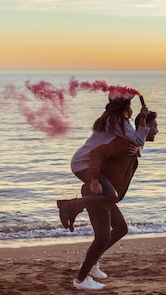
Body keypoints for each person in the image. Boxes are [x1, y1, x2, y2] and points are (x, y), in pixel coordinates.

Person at [58, 109, 159, 291]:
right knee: (103, 236)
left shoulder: (133, 147)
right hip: (97, 193)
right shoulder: (124, 145)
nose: (157, 131)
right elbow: (97, 154)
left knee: (121, 228)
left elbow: (136, 146)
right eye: (154, 127)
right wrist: (95, 180)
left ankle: (92, 263)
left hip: (104, 195)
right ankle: (81, 279)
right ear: (143, 128)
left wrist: (138, 148)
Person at [57, 94, 149, 232]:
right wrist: (143, 118)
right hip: (85, 163)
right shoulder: (118, 121)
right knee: (111, 195)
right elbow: (139, 140)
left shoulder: (110, 117)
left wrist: (138, 149)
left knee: (110, 198)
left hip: (84, 161)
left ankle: (75, 208)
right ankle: (69, 205)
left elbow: (132, 144)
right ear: (125, 105)